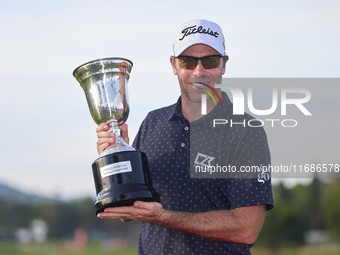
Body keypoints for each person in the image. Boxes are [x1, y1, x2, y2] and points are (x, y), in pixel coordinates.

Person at [96, 19, 273, 255]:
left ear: (224, 64)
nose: (199, 72)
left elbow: (245, 228)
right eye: (187, 61)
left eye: (209, 60)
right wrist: (116, 156)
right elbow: (130, 211)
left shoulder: (245, 130)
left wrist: (163, 217)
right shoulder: (153, 123)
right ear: (174, 65)